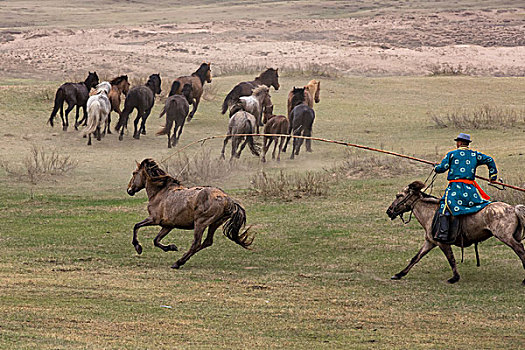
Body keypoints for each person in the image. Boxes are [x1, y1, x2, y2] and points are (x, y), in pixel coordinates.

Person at [433, 133, 498, 242]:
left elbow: (442, 168)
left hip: (455, 189)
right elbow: (490, 160)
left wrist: (436, 167)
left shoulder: (452, 154)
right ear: (467, 143)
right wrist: (493, 176)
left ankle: (443, 234)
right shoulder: (475, 155)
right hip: (471, 191)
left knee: (444, 205)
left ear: (459, 143)